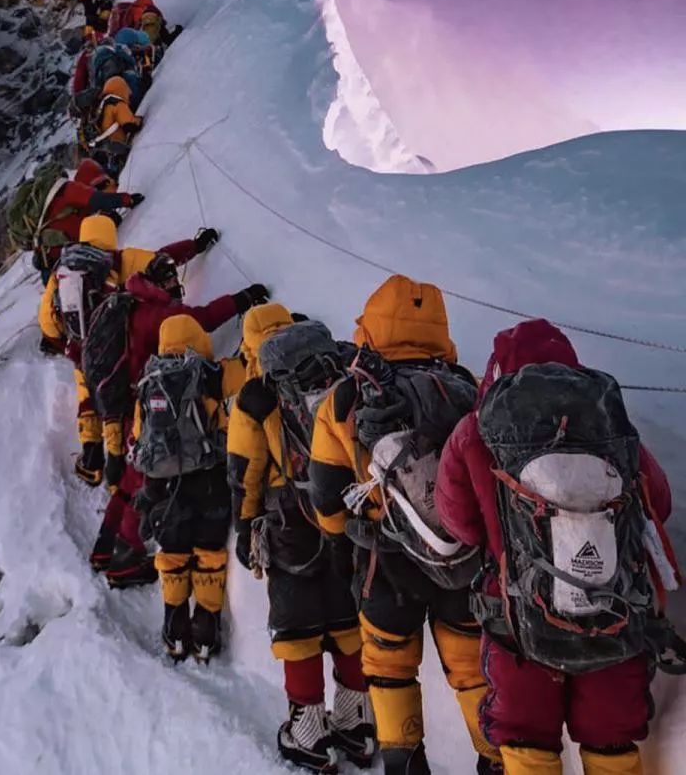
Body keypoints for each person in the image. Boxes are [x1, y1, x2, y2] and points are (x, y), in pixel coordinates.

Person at [437, 319, 675, 775]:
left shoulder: (476, 429)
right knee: (612, 737)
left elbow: (460, 524)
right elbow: (657, 504)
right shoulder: (609, 427)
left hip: (518, 623)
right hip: (613, 617)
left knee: (528, 735)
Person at [309, 275, 500, 775]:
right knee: (471, 671)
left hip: (384, 565)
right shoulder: (469, 388)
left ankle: (404, 759)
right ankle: (494, 757)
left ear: (371, 326)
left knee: (390, 668)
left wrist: (338, 549)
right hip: (463, 562)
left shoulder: (346, 397)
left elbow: (327, 495)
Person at [228, 308, 375, 771]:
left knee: (298, 628)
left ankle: (308, 731)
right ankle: (356, 722)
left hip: (288, 522)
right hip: (342, 509)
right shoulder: (332, 364)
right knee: (347, 616)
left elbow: (244, 472)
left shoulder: (256, 394)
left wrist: (245, 523)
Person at [88, 238, 264, 588]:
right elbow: (202, 320)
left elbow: (168, 256)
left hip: (129, 401)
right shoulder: (161, 314)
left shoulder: (131, 296)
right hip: (150, 407)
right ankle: (125, 558)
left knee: (129, 480)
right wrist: (243, 300)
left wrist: (195, 247)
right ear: (160, 284)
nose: (177, 289)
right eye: (172, 284)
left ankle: (105, 548)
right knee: (141, 480)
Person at [37, 215, 204, 493]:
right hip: (108, 343)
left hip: (77, 342)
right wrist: (195, 246)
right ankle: (118, 468)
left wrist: (64, 342)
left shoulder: (63, 270)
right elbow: (160, 259)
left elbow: (46, 318)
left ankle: (91, 457)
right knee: (113, 398)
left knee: (86, 393)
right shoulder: (115, 260)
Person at [132, 314, 248, 663]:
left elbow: (141, 438)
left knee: (173, 555)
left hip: (166, 487)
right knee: (209, 553)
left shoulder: (149, 383)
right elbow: (249, 367)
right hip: (210, 479)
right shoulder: (209, 374)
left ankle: (174, 628)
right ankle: (206, 631)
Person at [26, 158, 144, 283]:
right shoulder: (67, 190)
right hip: (73, 260)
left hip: (48, 264)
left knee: (61, 300)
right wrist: (128, 200)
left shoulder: (40, 208)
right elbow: (99, 200)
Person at [84, 75, 141, 181]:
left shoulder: (100, 106)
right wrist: (139, 120)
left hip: (104, 147)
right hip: (118, 145)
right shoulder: (116, 102)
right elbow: (131, 126)